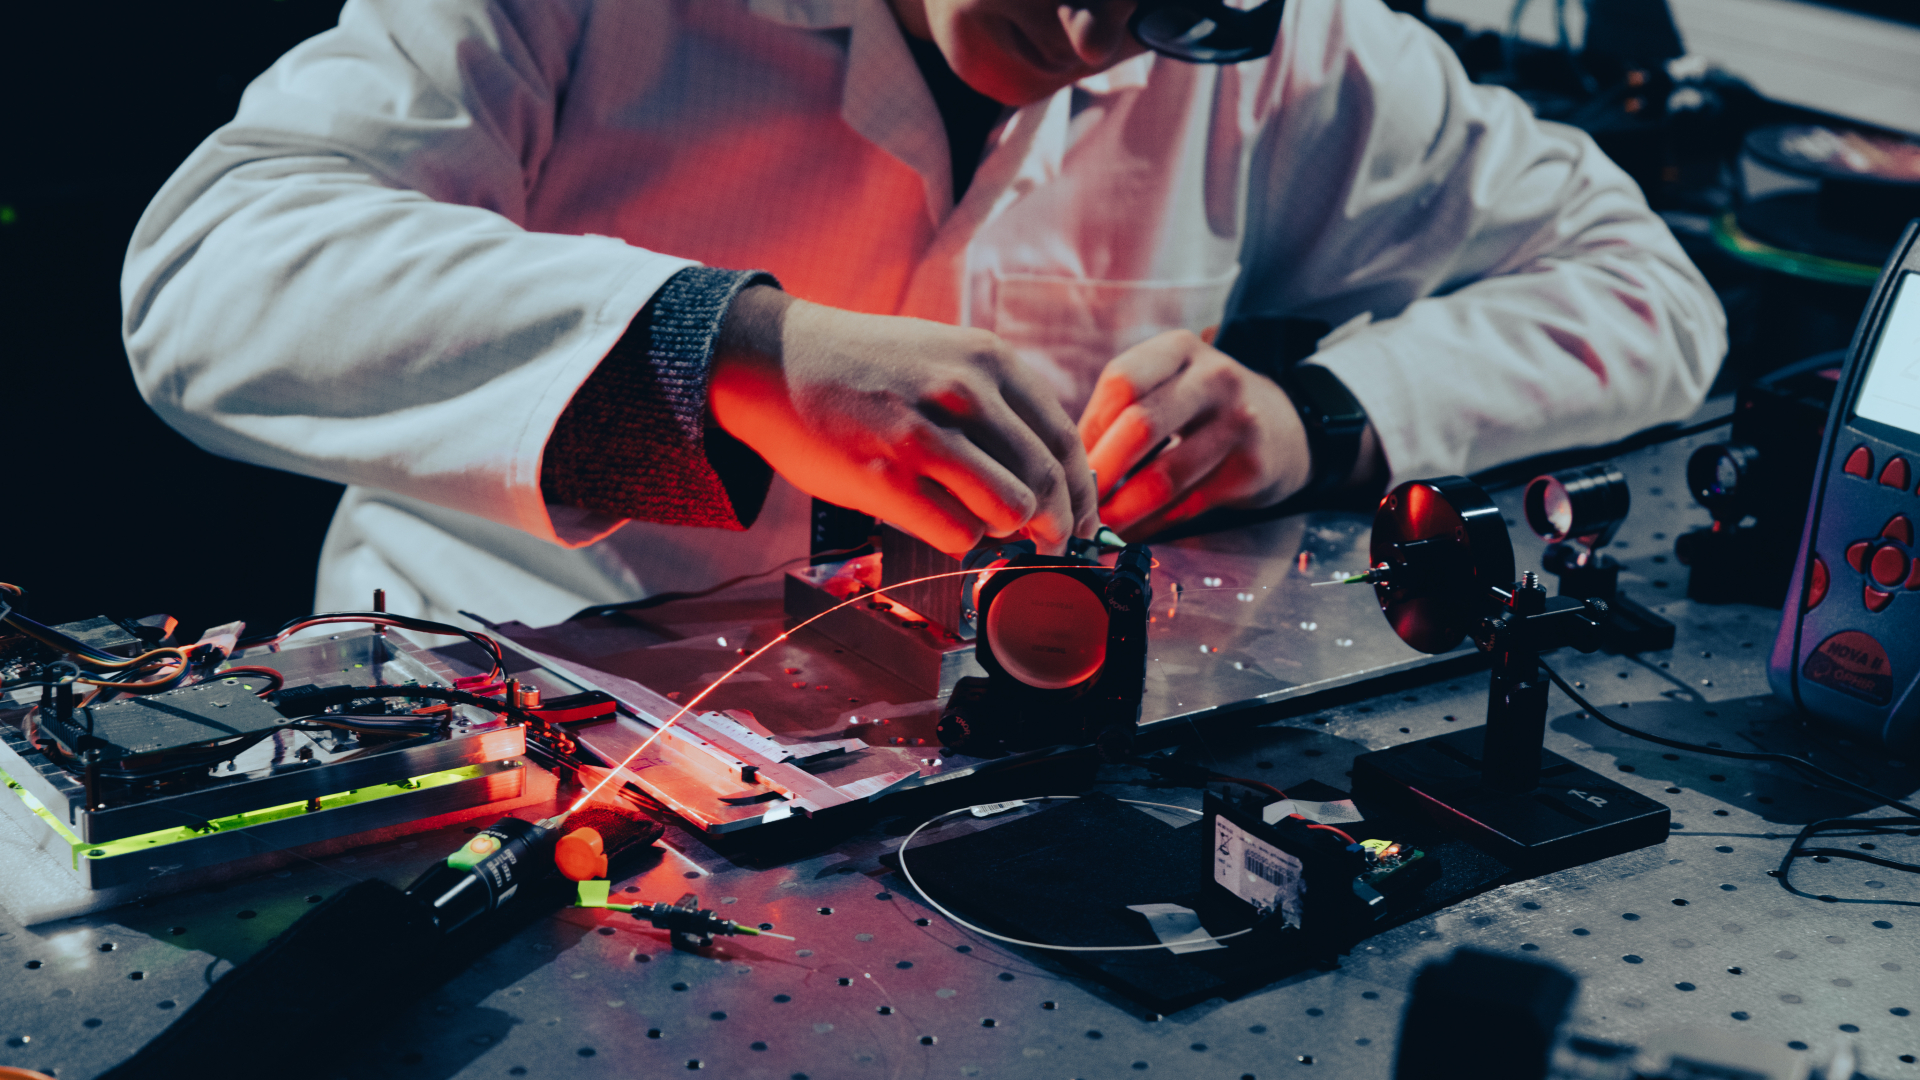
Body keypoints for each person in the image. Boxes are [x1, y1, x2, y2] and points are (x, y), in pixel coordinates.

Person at [122, 0, 1725, 628]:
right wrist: (731, 354)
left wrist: (1321, 420)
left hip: (964, 782)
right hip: (503, 702)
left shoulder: (1283, 53)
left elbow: (1647, 288)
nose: (1107, 30)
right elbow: (212, 268)